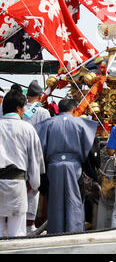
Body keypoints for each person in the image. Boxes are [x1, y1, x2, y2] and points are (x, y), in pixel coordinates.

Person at [34, 98, 98, 235]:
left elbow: (39, 150)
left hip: (53, 167)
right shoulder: (81, 124)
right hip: (74, 167)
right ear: (74, 109)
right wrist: (94, 172)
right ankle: (74, 232)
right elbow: (90, 149)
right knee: (75, 201)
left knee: (55, 202)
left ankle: (55, 233)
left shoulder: (47, 124)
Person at [0, 90, 45, 237]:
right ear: (19, 108)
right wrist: (34, 184)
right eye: (23, 108)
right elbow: (35, 160)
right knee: (17, 233)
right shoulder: (28, 129)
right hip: (18, 185)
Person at [23, 80, 51, 234]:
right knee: (33, 190)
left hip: (18, 155)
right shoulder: (43, 111)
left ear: (27, 96)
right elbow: (45, 137)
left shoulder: (20, 109)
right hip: (35, 154)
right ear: (40, 97)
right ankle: (29, 225)